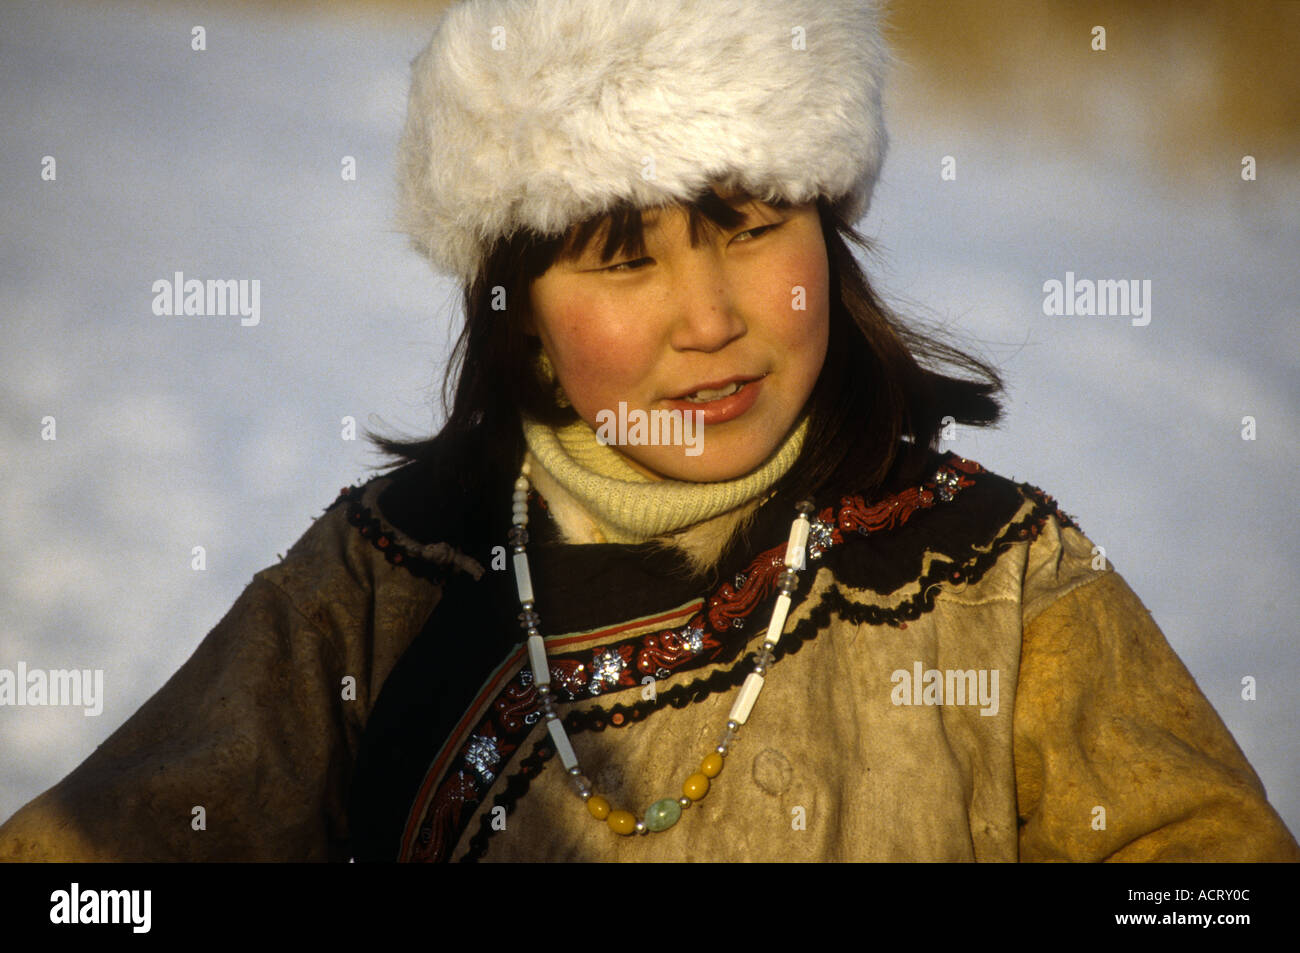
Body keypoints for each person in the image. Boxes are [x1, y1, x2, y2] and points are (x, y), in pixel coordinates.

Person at [2, 0, 1296, 863]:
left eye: (749, 226)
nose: (711, 317)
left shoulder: (1003, 576)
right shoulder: (380, 585)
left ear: (829, 231)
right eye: (624, 261)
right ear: (518, 315)